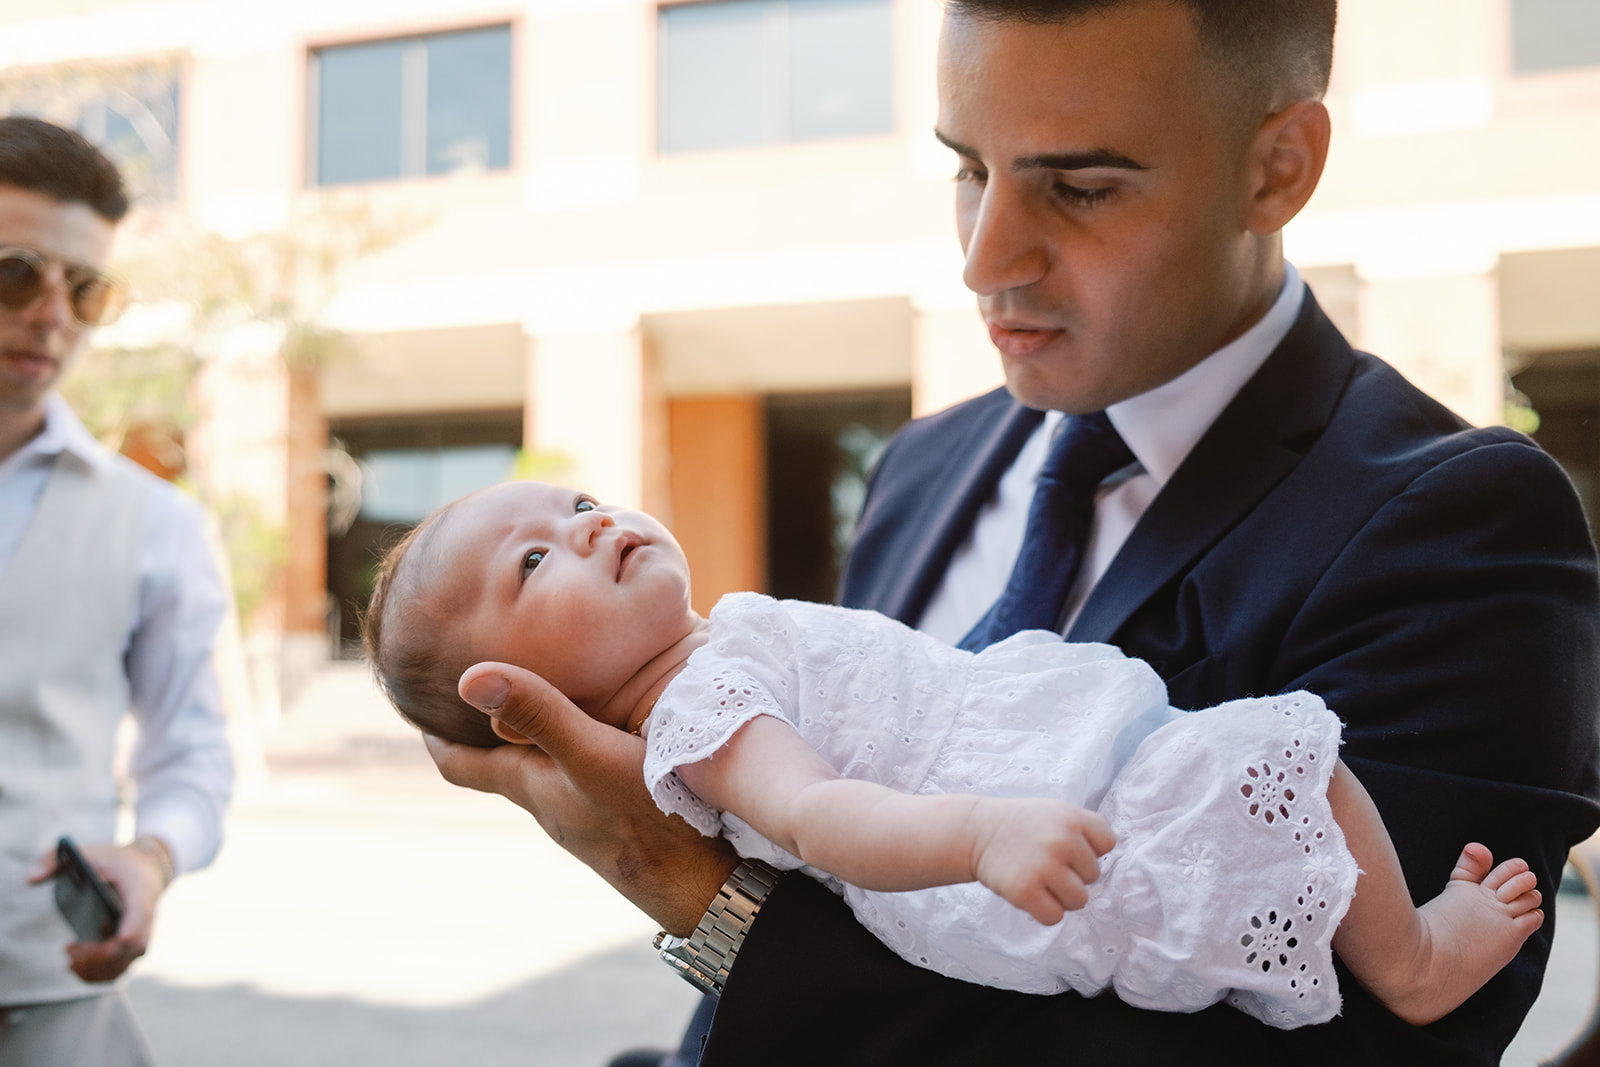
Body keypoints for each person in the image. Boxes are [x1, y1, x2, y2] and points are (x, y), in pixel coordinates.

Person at [423, 1, 1600, 1063]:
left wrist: (698, 895)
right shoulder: (921, 466)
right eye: (965, 168)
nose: (986, 257)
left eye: (1080, 187)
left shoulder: (1464, 524)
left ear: (1277, 167)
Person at [366, 479, 1547, 1030]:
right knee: (1282, 762)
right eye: (529, 564)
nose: (584, 524)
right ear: (522, 699)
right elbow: (821, 811)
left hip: (1048, 782)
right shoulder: (698, 713)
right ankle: (1412, 956)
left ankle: (1390, 944)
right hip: (1004, 835)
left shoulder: (721, 646)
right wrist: (984, 834)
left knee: (1273, 778)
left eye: (572, 499)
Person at [0, 116, 233, 1066]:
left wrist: (151, 856)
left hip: (46, 997)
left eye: (85, 288)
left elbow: (193, 752)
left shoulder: (159, 524)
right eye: (16, 272)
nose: (52, 312)